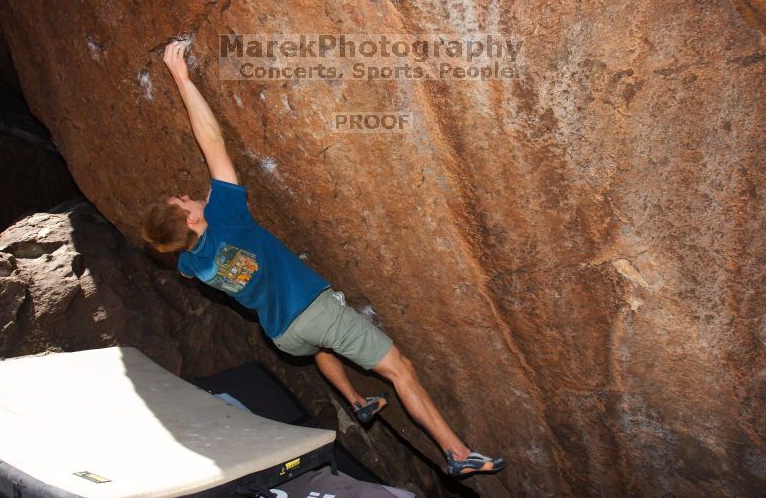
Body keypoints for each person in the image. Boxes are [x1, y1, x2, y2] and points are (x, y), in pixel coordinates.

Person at [142, 41, 505, 477]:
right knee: (401, 370)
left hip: (283, 334)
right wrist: (181, 76)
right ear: (195, 219)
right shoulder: (225, 220)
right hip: (314, 311)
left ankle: (356, 401)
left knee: (317, 345)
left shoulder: (189, 262)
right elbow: (212, 141)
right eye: (182, 200)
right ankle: (456, 452)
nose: (186, 194)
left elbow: (175, 243)